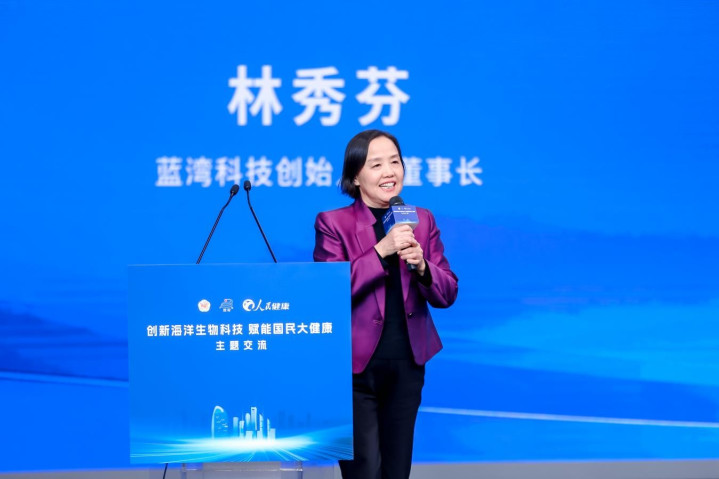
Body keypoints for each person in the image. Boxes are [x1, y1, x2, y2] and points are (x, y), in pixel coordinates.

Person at [313, 130, 458, 479]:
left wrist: (423, 267)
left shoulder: (421, 219)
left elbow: (448, 292)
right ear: (355, 177)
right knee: (364, 471)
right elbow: (329, 292)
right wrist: (381, 250)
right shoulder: (333, 223)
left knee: (396, 471)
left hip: (407, 365)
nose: (389, 171)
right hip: (354, 370)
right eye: (376, 164)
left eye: (395, 162)